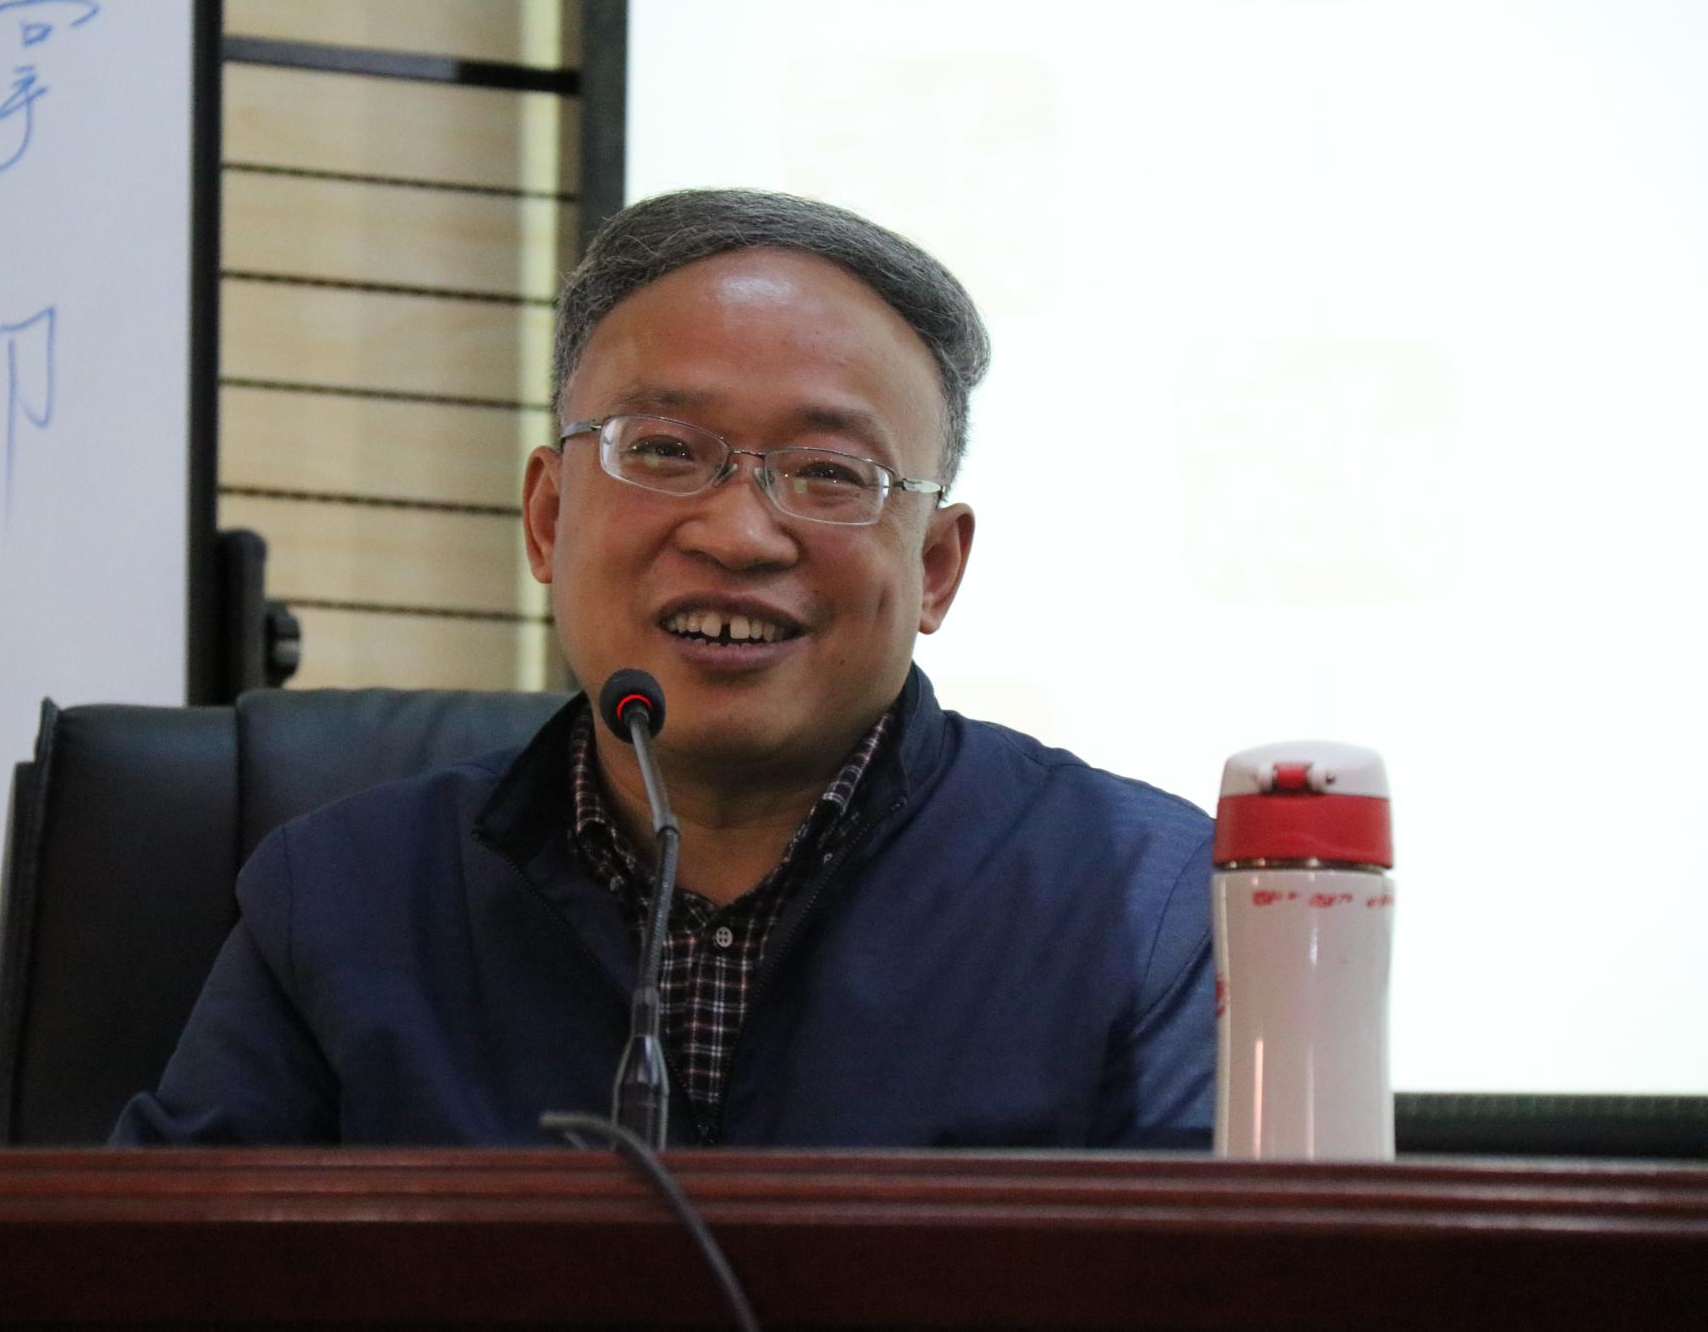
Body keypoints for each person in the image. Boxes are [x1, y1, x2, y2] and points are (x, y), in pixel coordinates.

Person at [115, 189, 1215, 1148]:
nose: (738, 535)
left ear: (934, 567)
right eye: (665, 451)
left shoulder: (1146, 906)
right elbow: (157, 1275)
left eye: (830, 473)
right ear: (548, 518)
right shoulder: (338, 900)